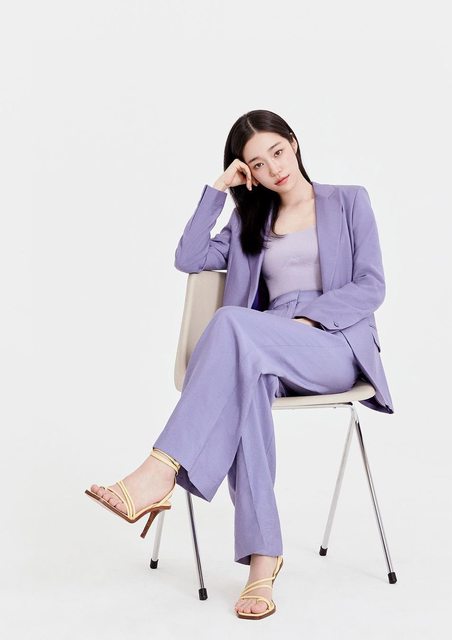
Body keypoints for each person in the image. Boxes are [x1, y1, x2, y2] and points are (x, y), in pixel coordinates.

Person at [85, 109, 394, 620]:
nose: (274, 168)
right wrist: (218, 190)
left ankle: (159, 471)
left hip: (333, 342)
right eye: (258, 164)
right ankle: (263, 560)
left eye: (278, 151)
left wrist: (310, 320)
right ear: (248, 173)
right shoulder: (250, 223)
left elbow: (371, 284)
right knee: (246, 384)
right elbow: (189, 257)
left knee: (230, 321)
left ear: (294, 143)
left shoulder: (348, 201)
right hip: (264, 343)